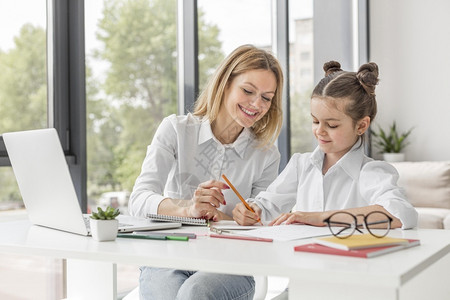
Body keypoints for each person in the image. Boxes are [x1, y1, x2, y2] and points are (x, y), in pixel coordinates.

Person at [128, 44, 284, 300]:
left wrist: (232, 217)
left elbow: (263, 228)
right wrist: (188, 211)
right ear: (225, 84)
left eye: (266, 98)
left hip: (230, 266)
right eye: (248, 91)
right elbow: (139, 199)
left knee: (195, 293)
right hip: (168, 258)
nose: (257, 104)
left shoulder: (266, 155)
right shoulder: (176, 130)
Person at [233, 60, 418, 231]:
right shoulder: (301, 164)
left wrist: (322, 218)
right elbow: (268, 207)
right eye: (315, 121)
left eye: (332, 125)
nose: (320, 131)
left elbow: (400, 213)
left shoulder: (371, 171)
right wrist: (251, 211)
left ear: (361, 125)